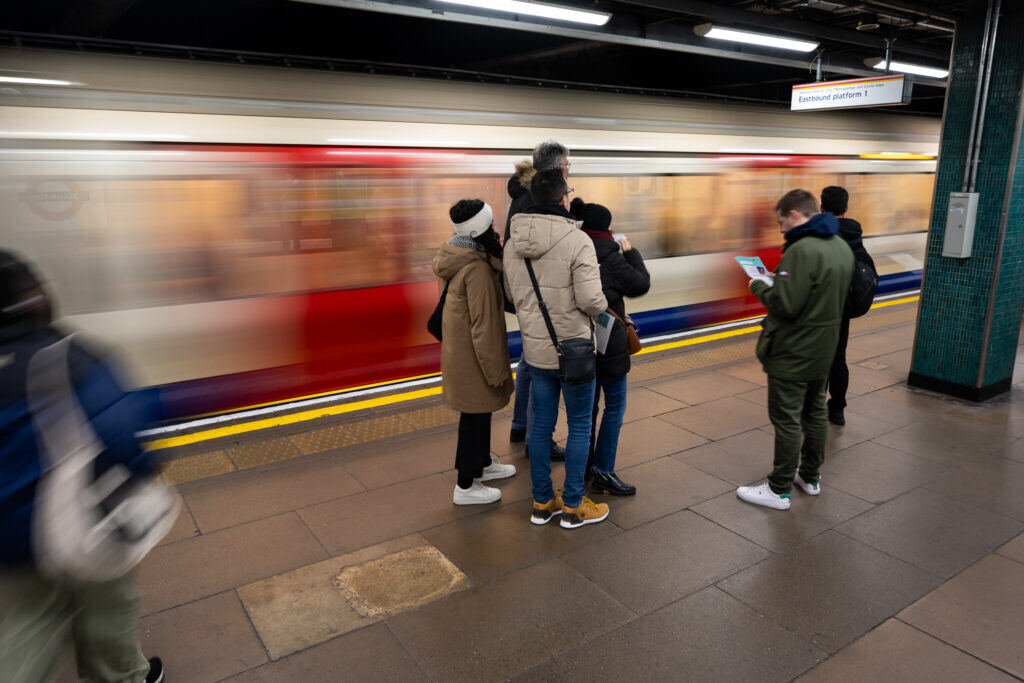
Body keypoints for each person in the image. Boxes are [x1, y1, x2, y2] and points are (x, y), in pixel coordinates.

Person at [0, 250, 165, 683]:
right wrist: (145, 470)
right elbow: (125, 440)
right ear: (24, 298)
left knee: (29, 618)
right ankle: (124, 676)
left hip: (9, 537)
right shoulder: (67, 357)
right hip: (81, 519)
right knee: (108, 602)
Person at [504, 168, 610, 529]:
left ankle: (541, 502)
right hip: (574, 350)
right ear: (563, 197)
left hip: (536, 351)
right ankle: (574, 505)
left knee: (540, 429)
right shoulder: (577, 239)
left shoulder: (512, 241)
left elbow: (512, 297)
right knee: (579, 426)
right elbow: (592, 300)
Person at [736, 190, 853, 510]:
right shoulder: (840, 246)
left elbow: (786, 305)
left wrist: (759, 284)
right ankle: (811, 477)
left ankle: (778, 489)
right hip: (824, 346)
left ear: (795, 214)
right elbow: (817, 292)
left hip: (795, 348)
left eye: (781, 222)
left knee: (787, 417)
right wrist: (780, 279)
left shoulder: (801, 249)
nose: (781, 229)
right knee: (815, 411)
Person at [434, 200, 517, 505]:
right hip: (475, 358)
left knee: (478, 414)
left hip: (462, 353)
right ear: (479, 230)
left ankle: (483, 464)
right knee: (474, 418)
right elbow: (485, 328)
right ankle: (466, 485)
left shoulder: (456, 254)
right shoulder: (478, 269)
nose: (496, 229)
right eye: (491, 225)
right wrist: (496, 371)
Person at [570, 198, 650, 496]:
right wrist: (631, 252)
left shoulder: (572, 250)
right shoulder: (611, 255)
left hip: (578, 344)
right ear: (607, 230)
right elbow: (640, 283)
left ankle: (584, 467)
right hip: (610, 346)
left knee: (585, 411)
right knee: (614, 406)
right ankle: (604, 471)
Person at [507, 141, 570, 463]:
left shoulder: (521, 194)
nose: (570, 170)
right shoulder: (536, 198)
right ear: (557, 168)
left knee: (530, 361)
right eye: (568, 165)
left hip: (523, 289)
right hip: (540, 292)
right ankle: (537, 440)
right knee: (542, 364)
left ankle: (520, 426)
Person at [820, 185, 874, 426]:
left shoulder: (823, 233)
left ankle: (813, 405)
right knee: (838, 357)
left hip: (823, 306)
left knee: (819, 357)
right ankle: (837, 408)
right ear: (846, 207)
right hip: (844, 304)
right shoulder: (854, 231)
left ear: (821, 208)